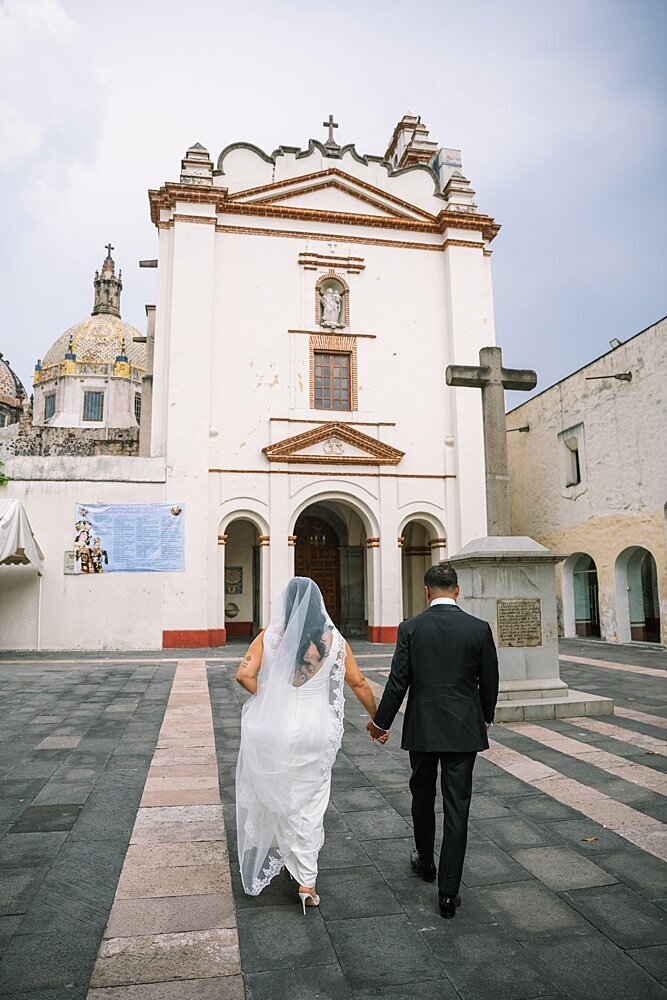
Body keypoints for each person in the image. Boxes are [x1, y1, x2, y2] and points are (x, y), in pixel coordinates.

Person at [235, 576, 377, 912]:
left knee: (283, 792)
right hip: (316, 728)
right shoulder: (334, 641)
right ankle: (307, 882)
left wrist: (271, 699)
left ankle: (292, 860)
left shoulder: (269, 637)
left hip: (276, 727)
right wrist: (378, 720)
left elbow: (244, 675)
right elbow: (357, 682)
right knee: (312, 801)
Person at [367, 562, 499, 919]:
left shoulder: (410, 628)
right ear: (457, 590)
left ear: (426, 592)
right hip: (463, 729)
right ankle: (448, 894)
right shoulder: (478, 628)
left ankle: (425, 862)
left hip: (422, 728)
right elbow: (490, 680)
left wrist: (381, 722)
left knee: (422, 795)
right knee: (458, 806)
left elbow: (398, 682)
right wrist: (484, 717)